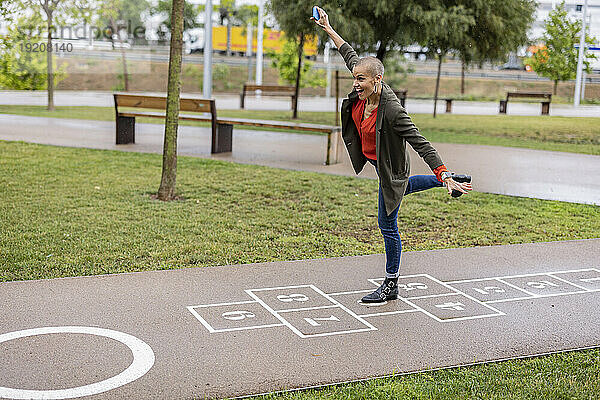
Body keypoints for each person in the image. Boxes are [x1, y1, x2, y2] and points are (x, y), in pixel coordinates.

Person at [312, 6, 473, 303]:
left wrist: (442, 169)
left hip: (391, 166)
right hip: (379, 164)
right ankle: (446, 180)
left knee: (387, 222)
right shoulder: (363, 87)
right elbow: (348, 53)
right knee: (403, 188)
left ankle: (391, 284)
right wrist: (328, 28)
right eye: (354, 78)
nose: (355, 83)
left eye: (361, 79)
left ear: (377, 80)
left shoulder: (394, 111)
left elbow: (421, 143)